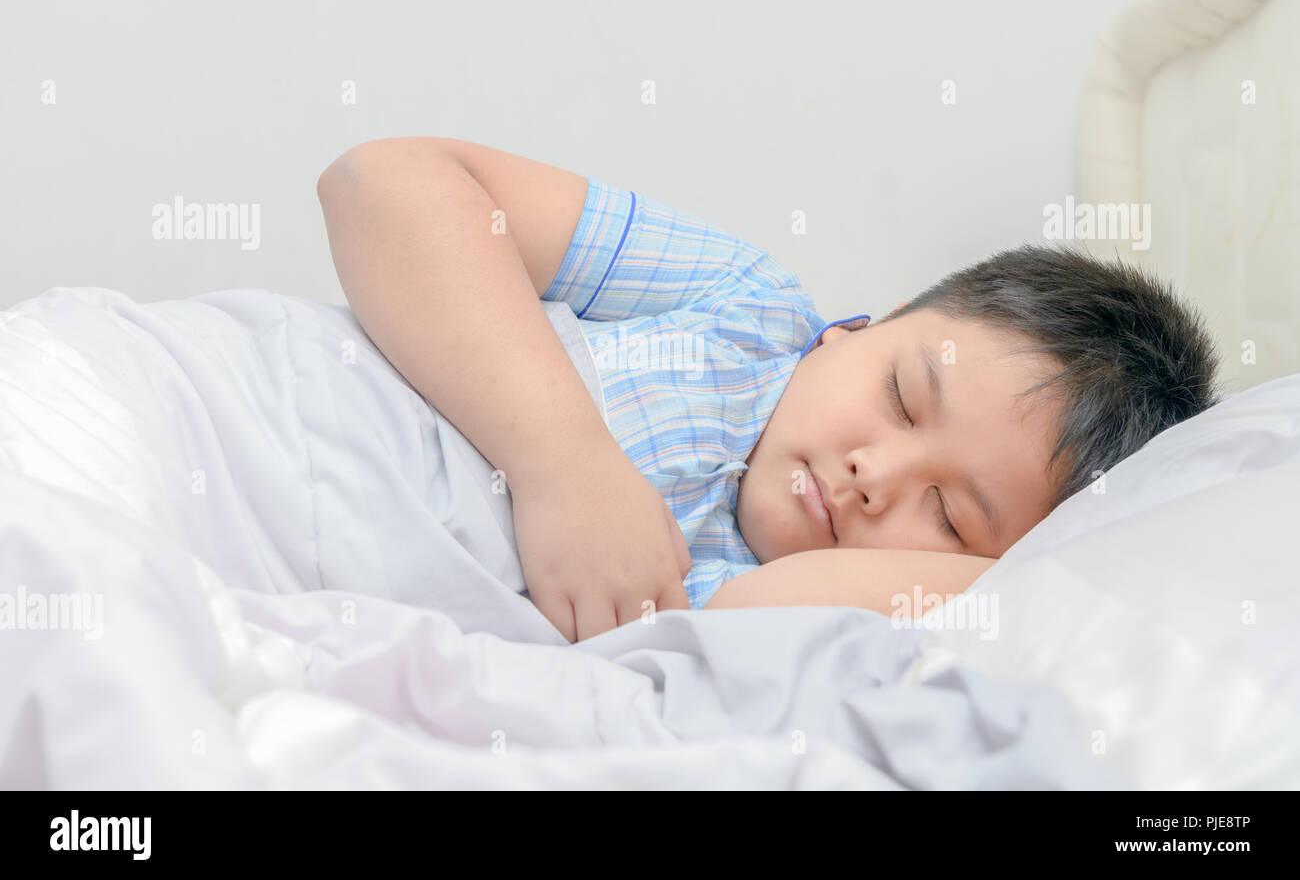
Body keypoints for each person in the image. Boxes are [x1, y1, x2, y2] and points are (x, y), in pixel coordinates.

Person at [317, 137, 1221, 643]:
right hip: (272, 417)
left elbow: (1015, 610)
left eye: (948, 516)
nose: (876, 473)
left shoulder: (769, 612)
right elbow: (383, 182)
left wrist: (1009, 576)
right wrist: (563, 464)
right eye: (904, 396)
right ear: (857, 329)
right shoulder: (748, 308)